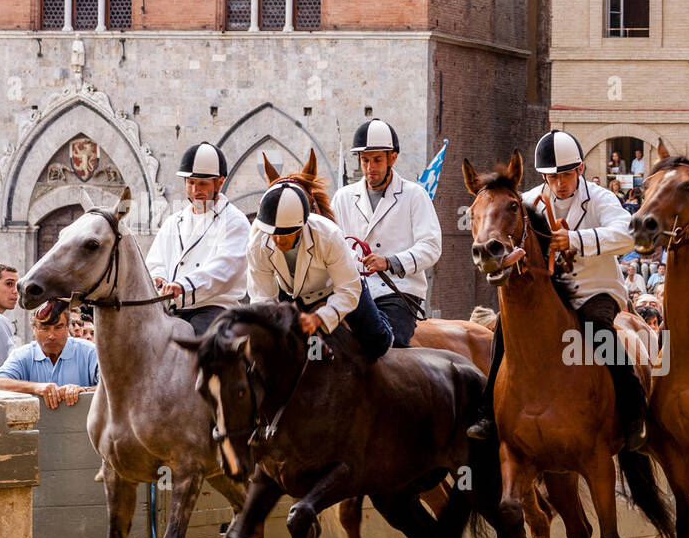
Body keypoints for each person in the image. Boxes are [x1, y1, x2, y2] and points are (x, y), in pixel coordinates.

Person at [469, 130, 647, 451]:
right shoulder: (525, 202)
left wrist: (577, 240)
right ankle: (488, 413)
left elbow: (629, 235)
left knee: (598, 329)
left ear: (579, 169)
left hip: (597, 289)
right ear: (542, 176)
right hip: (550, 292)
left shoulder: (602, 198)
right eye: (553, 177)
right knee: (502, 330)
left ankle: (633, 410)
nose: (560, 183)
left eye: (566, 174)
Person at [247, 179, 393, 360]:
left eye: (285, 234)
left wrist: (319, 318)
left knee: (377, 344)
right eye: (272, 233)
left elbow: (348, 289)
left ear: (301, 227)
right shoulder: (256, 246)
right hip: (293, 294)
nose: (277, 241)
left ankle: (382, 320)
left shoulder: (329, 235)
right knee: (294, 355)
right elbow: (262, 298)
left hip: (337, 288)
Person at [331, 119, 442, 348]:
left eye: (377, 160)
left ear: (393, 157)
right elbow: (332, 246)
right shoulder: (342, 197)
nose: (370, 167)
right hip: (354, 292)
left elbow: (431, 247)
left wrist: (390, 262)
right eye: (365, 160)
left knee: (387, 346)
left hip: (399, 292)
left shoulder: (415, 195)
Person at [146, 141, 249, 337]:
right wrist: (160, 279)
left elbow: (223, 270)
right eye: (190, 183)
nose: (195, 190)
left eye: (202, 183)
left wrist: (182, 285)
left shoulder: (236, 222)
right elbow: (156, 261)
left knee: (202, 353)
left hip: (214, 309)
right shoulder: (173, 221)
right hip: (170, 310)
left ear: (220, 182)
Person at [0, 306, 98, 409]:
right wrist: (36, 388)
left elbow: (112, 388)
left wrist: (83, 390)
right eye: (45, 328)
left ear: (67, 328)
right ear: (34, 329)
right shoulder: (23, 355)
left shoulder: (89, 352)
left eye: (58, 327)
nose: (52, 336)